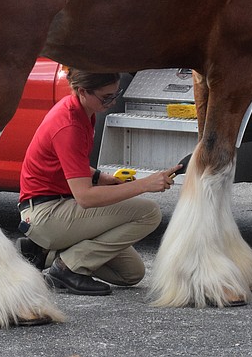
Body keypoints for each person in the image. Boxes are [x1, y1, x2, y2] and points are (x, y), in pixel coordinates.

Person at [16, 68, 179, 296]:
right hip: (47, 212)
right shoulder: (69, 125)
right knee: (149, 212)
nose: (112, 102)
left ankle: (44, 252)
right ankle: (66, 268)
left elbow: (67, 163)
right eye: (106, 97)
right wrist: (145, 184)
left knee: (131, 274)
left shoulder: (81, 110)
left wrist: (100, 177)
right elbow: (86, 198)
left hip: (58, 208)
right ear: (83, 91)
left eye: (115, 94)